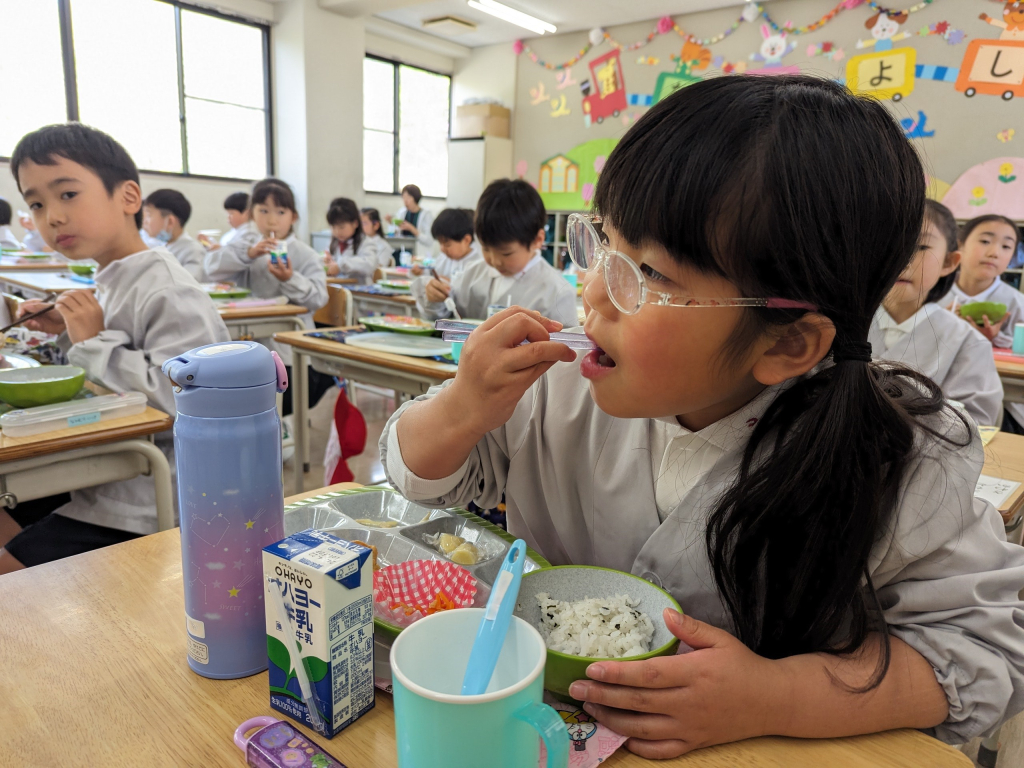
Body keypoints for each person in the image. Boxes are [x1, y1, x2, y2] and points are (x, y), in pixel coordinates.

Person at [380, 77, 1024, 756]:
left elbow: (988, 646)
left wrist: (775, 696)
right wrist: (460, 406)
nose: (593, 291)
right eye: (601, 242)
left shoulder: (893, 460)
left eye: (650, 274)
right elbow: (419, 478)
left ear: (788, 343)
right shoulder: (556, 387)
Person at [0, 123, 229, 573]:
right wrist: (69, 333)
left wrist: (91, 339)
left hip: (147, 499)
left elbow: (185, 402)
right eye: (37, 204)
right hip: (103, 469)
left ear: (128, 197)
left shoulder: (165, 286)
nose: (53, 217)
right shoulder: (112, 276)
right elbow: (117, 364)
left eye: (67, 194)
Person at [868, 200, 1003, 427]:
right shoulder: (840, 326)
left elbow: (977, 425)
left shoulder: (969, 342)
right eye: (887, 244)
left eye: (921, 247)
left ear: (949, 262)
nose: (902, 259)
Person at [204, 178, 328, 415]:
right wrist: (248, 254)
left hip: (287, 356)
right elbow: (211, 267)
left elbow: (319, 298)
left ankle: (283, 428)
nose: (272, 219)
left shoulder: (305, 254)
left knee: (273, 399)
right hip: (244, 349)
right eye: (263, 211)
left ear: (293, 217)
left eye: (281, 212)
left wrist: (289, 279)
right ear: (252, 214)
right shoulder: (245, 246)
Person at [414, 180, 577, 327]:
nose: (494, 261)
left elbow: (566, 354)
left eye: (506, 253)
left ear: (538, 240)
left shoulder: (557, 292)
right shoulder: (473, 274)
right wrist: (435, 299)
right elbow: (441, 320)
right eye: (485, 249)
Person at [939, 215, 1024, 430]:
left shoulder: (1015, 302)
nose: (994, 252)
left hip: (1003, 400)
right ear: (960, 245)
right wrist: (941, 322)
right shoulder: (936, 294)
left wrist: (995, 339)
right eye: (985, 241)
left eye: (1006, 246)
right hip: (935, 393)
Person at [410, 208, 483, 313]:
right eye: (440, 243)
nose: (442, 249)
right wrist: (424, 275)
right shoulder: (443, 259)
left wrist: (453, 285)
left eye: (447, 244)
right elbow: (433, 275)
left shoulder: (479, 262)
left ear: (466, 240)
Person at [141, 189, 206, 281]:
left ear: (170, 222)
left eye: (149, 215)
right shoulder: (164, 246)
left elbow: (187, 284)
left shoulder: (193, 251)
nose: (145, 221)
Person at [323, 197, 377, 284]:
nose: (337, 232)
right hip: (338, 291)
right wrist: (326, 263)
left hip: (359, 293)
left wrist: (340, 266)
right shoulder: (333, 243)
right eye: (333, 227)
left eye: (341, 227)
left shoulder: (366, 243)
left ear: (355, 223)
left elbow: (369, 264)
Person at [386, 184, 435, 256]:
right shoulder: (402, 212)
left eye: (408, 198)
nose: (405, 201)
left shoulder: (426, 214)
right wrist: (391, 223)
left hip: (419, 253)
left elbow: (429, 240)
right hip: (401, 251)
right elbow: (396, 234)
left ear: (415, 198)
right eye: (403, 198)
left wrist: (412, 229)